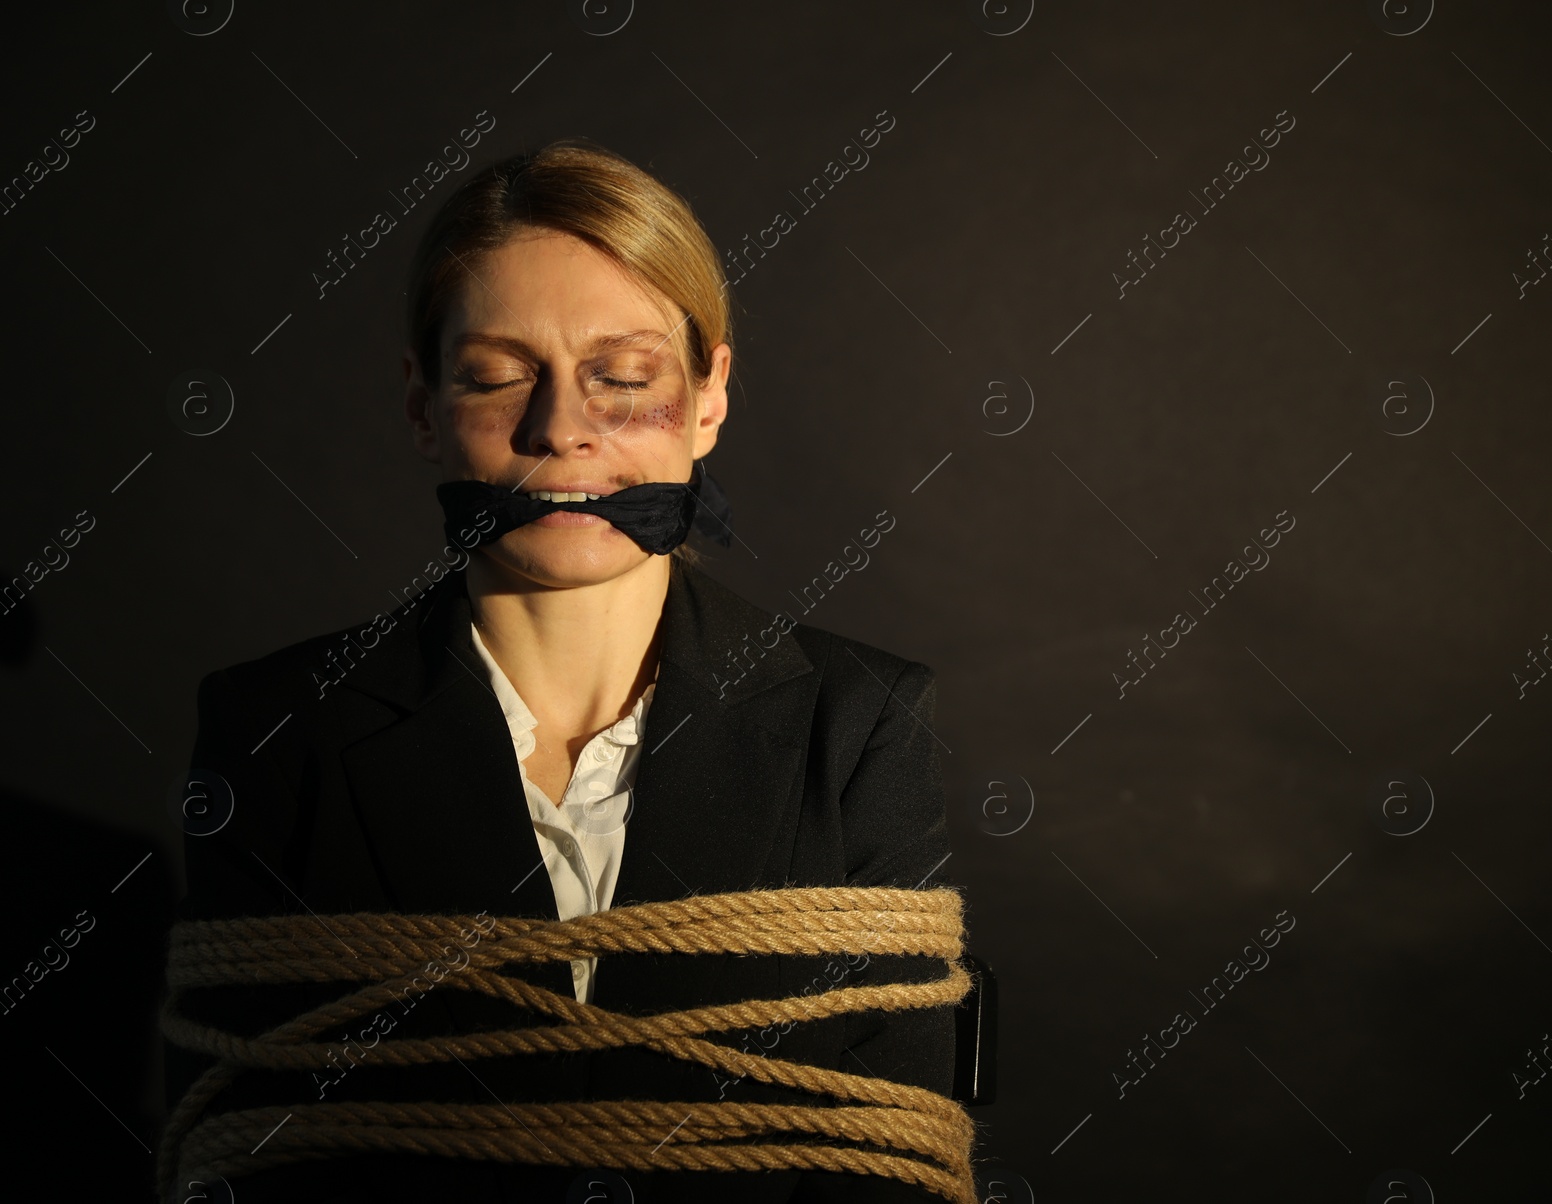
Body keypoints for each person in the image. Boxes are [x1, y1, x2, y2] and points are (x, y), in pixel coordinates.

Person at [162, 139, 961, 1203]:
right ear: (422, 404)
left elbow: (884, 1164)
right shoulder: (272, 730)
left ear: (712, 394)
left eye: (622, 379)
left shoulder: (861, 725)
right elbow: (240, 1149)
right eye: (496, 377)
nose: (561, 430)